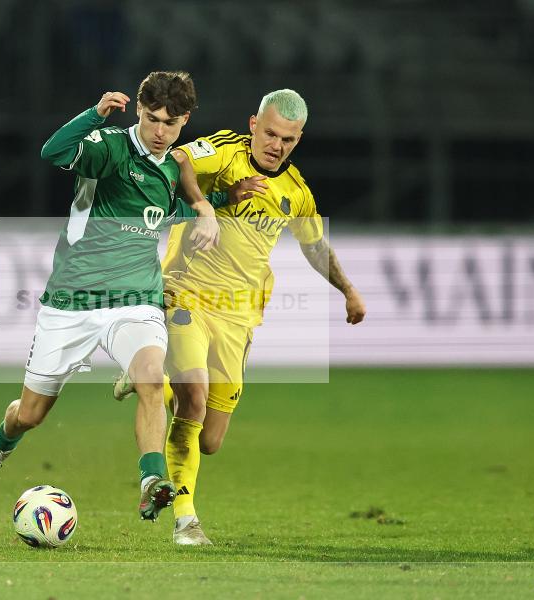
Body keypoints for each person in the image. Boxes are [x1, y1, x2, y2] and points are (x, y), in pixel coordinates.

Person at [0, 71, 223, 522]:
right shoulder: (110, 147)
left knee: (151, 378)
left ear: (184, 121)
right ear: (139, 111)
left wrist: (209, 209)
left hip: (135, 298)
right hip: (73, 300)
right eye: (152, 119)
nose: (160, 132)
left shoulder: (171, 167)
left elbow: (164, 213)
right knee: (30, 413)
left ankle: (151, 480)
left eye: (171, 123)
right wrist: (93, 116)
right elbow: (53, 152)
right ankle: (0, 444)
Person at [114, 89, 367, 543]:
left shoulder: (296, 192)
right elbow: (175, 163)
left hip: (238, 317)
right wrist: (212, 201)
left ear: (298, 139)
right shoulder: (224, 152)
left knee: (209, 439)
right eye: (270, 133)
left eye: (288, 139)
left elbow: (313, 246)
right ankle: (185, 519)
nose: (277, 145)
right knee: (193, 396)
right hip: (186, 293)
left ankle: (149, 374)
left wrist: (347, 289)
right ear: (254, 124)